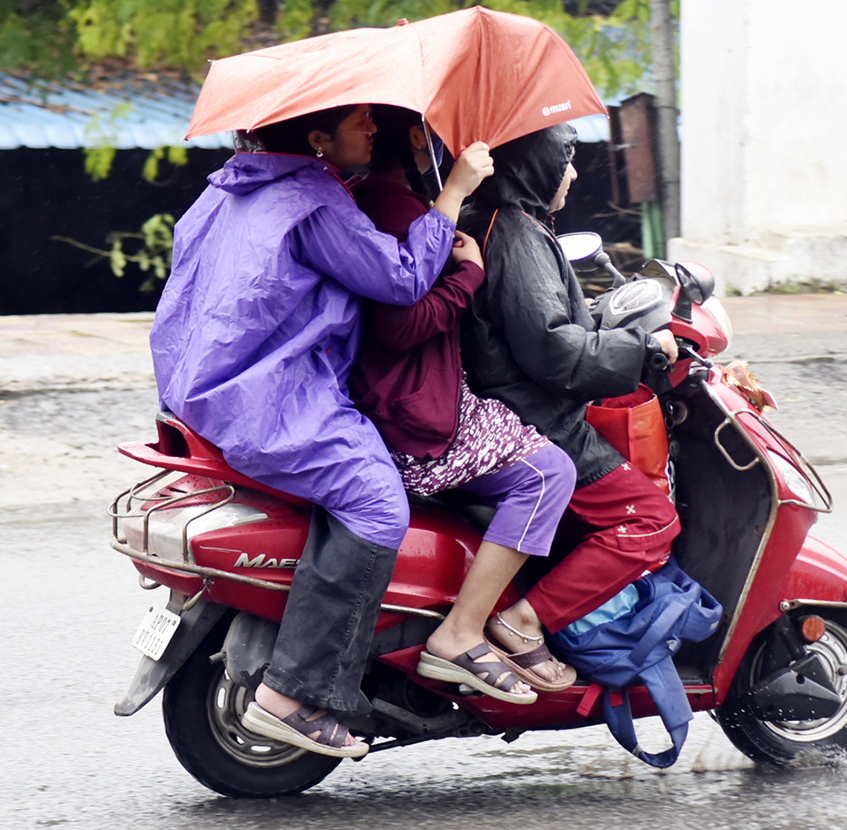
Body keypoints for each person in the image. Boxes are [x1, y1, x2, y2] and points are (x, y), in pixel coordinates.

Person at [150, 103, 492, 757]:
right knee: (376, 503)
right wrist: (455, 192)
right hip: (274, 404)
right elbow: (400, 280)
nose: (370, 131)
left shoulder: (222, 189)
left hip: (195, 393)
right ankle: (291, 695)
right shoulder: (311, 198)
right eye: (358, 122)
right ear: (316, 139)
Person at [349, 105, 577, 699]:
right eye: (437, 139)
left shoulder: (373, 198)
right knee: (549, 473)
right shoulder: (395, 207)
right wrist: (469, 274)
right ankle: (464, 630)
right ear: (420, 143)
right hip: (414, 412)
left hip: (400, 397)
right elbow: (402, 325)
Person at [458, 123, 683, 665]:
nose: (575, 172)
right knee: (652, 520)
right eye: (565, 157)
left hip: (519, 407)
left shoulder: (501, 223)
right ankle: (524, 620)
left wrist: (609, 326)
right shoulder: (513, 233)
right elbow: (554, 351)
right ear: (536, 164)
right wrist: (643, 349)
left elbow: (548, 324)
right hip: (540, 420)